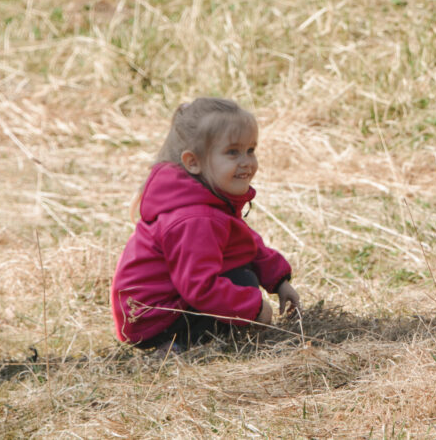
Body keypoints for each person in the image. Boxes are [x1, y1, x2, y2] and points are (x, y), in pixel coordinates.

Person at [111, 98, 300, 352]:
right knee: (242, 281)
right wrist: (254, 309)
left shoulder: (205, 195)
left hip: (161, 308)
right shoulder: (194, 218)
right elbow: (200, 287)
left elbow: (241, 241)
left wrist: (279, 281)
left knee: (241, 274)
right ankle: (176, 345)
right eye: (232, 152)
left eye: (250, 150)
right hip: (152, 318)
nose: (246, 161)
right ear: (193, 162)